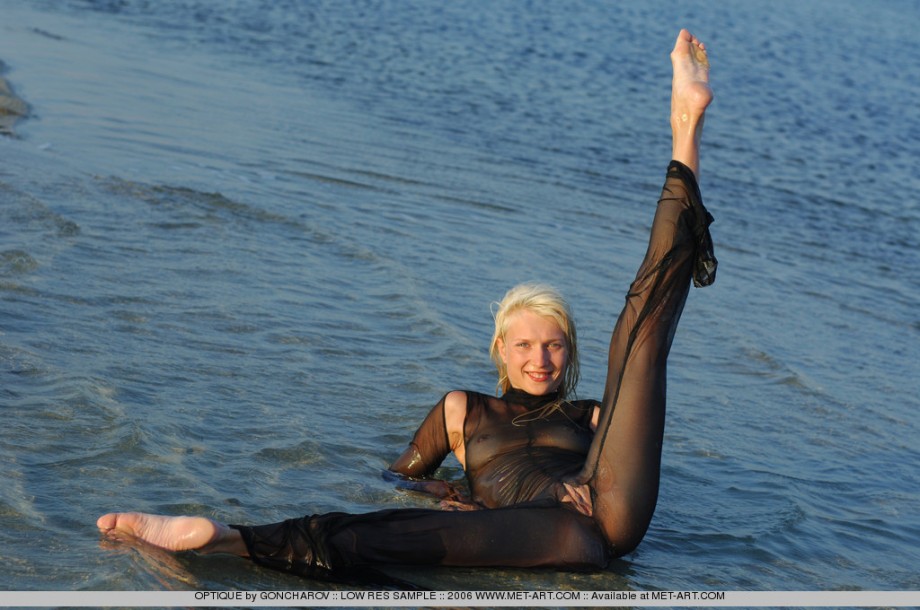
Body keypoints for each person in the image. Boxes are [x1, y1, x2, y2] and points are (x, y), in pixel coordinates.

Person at [97, 29, 717, 583]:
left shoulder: (591, 417)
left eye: (554, 345)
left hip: (610, 502)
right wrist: (452, 494)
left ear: (568, 353)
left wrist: (583, 477)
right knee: (398, 533)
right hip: (541, 530)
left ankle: (684, 128)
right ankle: (228, 538)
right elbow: (398, 477)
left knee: (639, 339)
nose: (540, 358)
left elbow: (631, 388)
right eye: (525, 344)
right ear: (500, 349)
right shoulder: (463, 411)